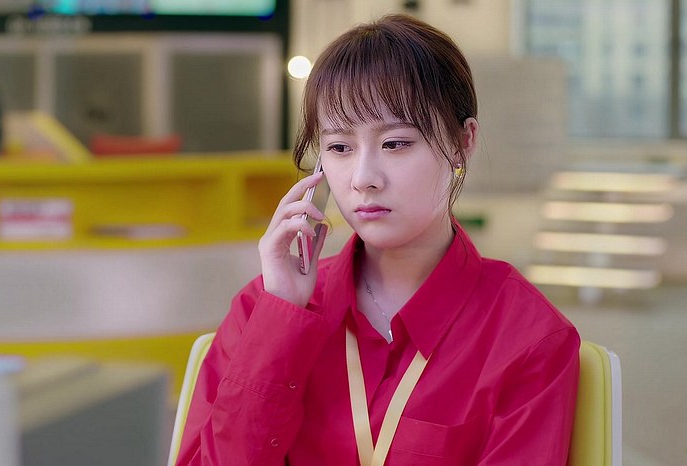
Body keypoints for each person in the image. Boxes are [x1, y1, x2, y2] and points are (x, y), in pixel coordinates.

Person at [176, 14, 579, 466]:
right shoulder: (262, 310)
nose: (363, 178)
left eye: (395, 143)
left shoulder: (529, 337)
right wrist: (280, 324)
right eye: (340, 148)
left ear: (463, 141)